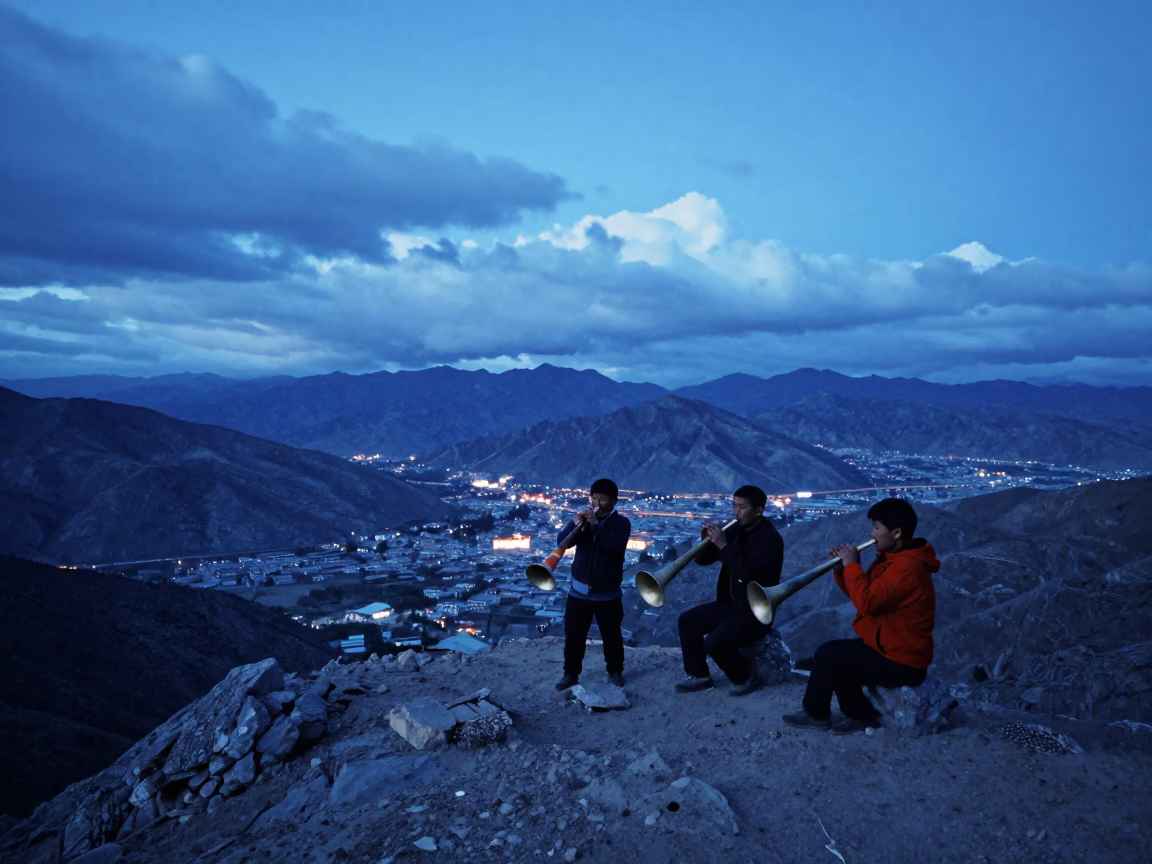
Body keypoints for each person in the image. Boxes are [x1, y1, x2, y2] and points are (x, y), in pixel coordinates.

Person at [783, 497, 939, 735]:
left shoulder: (908, 568)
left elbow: (866, 602)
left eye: (877, 527)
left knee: (831, 656)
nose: (872, 533)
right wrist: (841, 569)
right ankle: (821, 713)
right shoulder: (892, 560)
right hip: (887, 647)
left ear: (896, 532)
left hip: (903, 661)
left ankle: (854, 715)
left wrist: (852, 566)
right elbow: (862, 595)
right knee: (831, 654)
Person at [675, 485, 784, 696]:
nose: (736, 512)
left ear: (759, 510)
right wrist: (705, 541)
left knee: (714, 642)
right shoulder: (736, 530)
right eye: (734, 506)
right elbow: (704, 560)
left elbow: (749, 573)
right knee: (687, 621)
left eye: (742, 507)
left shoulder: (770, 540)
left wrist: (725, 546)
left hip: (755, 612)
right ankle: (699, 676)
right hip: (731, 604)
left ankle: (745, 678)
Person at [555, 478, 632, 691]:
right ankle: (570, 674)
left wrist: (596, 526)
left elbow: (615, 548)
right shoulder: (583, 523)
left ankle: (615, 671)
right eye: (594, 497)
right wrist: (575, 523)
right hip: (579, 592)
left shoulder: (622, 524)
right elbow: (562, 542)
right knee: (574, 636)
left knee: (612, 636)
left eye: (602, 499)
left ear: (614, 502)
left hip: (608, 594)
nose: (596, 503)